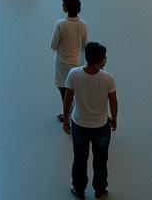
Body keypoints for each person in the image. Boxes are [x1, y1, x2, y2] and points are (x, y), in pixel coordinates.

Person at [63, 42, 118, 200]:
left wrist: (66, 118)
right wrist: (114, 119)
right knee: (101, 159)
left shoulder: (74, 73)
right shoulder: (108, 78)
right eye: (105, 57)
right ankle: (100, 190)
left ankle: (78, 189)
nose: (106, 59)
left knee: (80, 158)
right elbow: (113, 102)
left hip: (79, 124)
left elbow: (68, 98)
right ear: (101, 61)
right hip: (100, 126)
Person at [51, 0, 89, 124]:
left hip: (62, 63)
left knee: (63, 90)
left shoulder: (61, 24)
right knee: (73, 88)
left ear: (66, 8)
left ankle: (66, 114)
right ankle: (74, 112)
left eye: (63, 4)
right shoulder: (83, 25)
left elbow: (53, 45)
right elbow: (84, 44)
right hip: (76, 62)